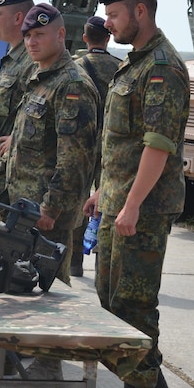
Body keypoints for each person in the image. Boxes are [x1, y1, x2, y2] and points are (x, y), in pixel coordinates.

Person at [83, 0, 190, 388]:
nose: (108, 24)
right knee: (110, 299)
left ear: (140, 13)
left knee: (133, 303)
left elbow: (157, 145)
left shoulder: (162, 67)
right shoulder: (135, 64)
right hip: (120, 200)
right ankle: (154, 387)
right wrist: (104, 193)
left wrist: (129, 206)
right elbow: (121, 143)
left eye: (114, 16)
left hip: (142, 209)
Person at [0, 3, 98, 379]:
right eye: (27, 36)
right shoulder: (39, 79)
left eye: (39, 35)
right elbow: (30, 146)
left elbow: (74, 160)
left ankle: (49, 362)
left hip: (46, 211)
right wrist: (0, 166)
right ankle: (21, 348)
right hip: (22, 204)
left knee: (50, 284)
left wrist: (52, 208)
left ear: (61, 35)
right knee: (20, 279)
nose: (31, 42)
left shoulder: (72, 85)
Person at [70, 16, 122, 276]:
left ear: (85, 38)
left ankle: (74, 262)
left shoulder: (76, 67)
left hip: (83, 143)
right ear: (108, 37)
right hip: (110, 144)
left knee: (81, 199)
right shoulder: (120, 66)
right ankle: (103, 260)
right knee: (107, 200)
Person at [0, 0, 35, 200]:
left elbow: (43, 109)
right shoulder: (14, 57)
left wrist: (19, 136)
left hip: (15, 172)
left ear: (18, 18)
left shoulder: (31, 60)